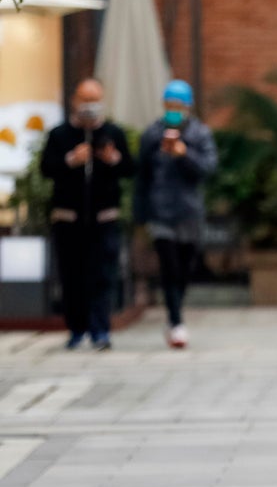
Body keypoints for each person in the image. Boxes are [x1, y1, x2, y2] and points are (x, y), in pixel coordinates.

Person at [40, 78, 137, 350]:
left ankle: (100, 329)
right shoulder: (59, 135)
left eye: (94, 100)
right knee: (72, 276)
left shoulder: (113, 133)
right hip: (68, 218)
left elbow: (130, 168)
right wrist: (71, 160)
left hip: (104, 217)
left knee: (102, 274)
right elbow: (46, 168)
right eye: (85, 100)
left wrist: (112, 159)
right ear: (74, 101)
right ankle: (76, 328)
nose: (89, 107)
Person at [134, 79, 218, 349]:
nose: (174, 110)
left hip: (189, 212)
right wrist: (140, 213)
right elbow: (142, 177)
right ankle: (176, 320)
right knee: (169, 266)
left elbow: (208, 168)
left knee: (183, 268)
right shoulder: (151, 134)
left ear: (188, 106)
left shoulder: (200, 134)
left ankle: (174, 313)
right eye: (169, 105)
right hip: (161, 212)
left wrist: (184, 154)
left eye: (178, 105)